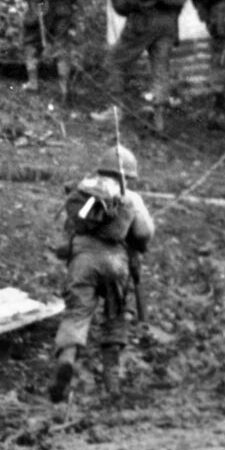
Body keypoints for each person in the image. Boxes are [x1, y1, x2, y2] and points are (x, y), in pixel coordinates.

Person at [49, 145, 155, 403]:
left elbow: (66, 230)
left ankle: (66, 360)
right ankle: (112, 383)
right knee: (115, 316)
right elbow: (144, 234)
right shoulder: (131, 198)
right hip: (116, 264)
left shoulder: (82, 194)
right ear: (127, 176)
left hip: (83, 262)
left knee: (77, 312)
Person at [106, 0, 189, 135]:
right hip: (168, 25)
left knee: (116, 60)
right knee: (160, 70)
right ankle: (159, 121)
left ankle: (116, 112)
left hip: (143, 21)